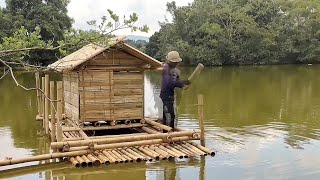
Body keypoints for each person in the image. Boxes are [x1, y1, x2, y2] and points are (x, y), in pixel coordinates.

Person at [160, 51, 190, 129]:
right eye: (175, 62)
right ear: (170, 61)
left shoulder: (172, 69)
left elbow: (176, 80)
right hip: (166, 96)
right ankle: (169, 135)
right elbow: (170, 83)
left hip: (169, 95)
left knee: (168, 115)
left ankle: (167, 134)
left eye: (177, 62)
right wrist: (182, 83)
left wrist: (183, 85)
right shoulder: (166, 69)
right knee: (170, 115)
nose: (177, 63)